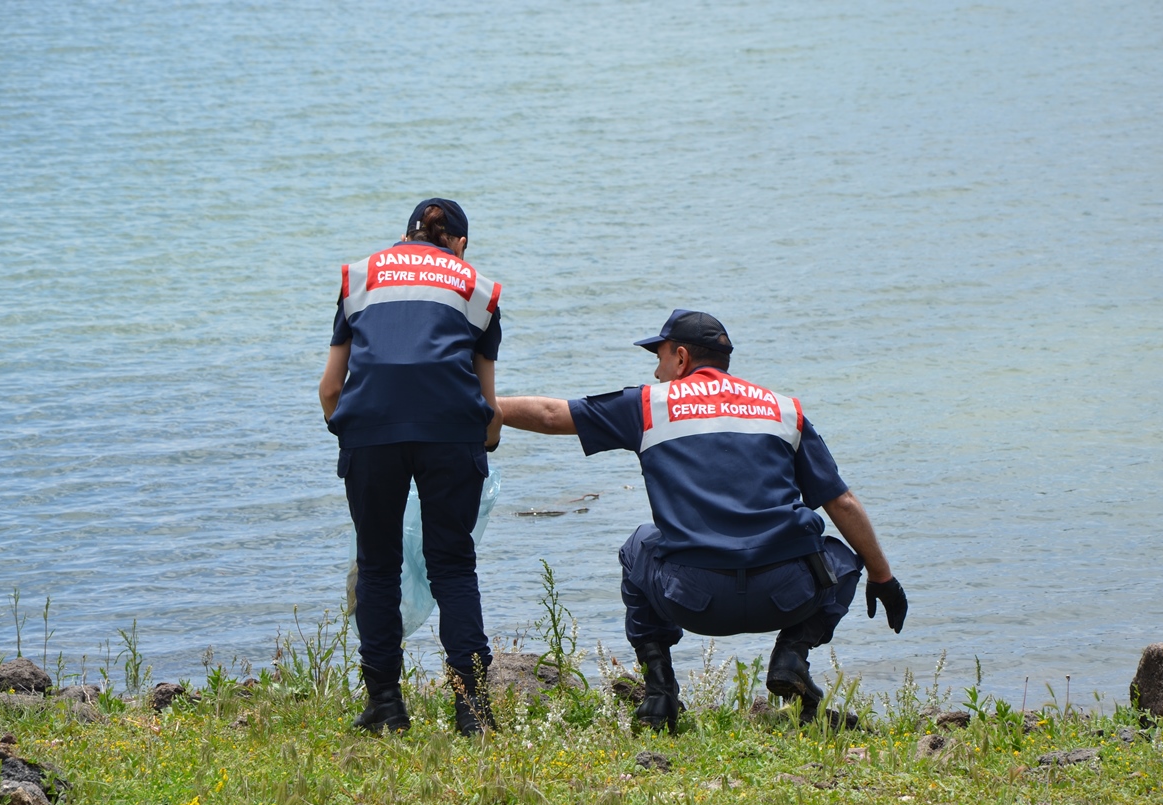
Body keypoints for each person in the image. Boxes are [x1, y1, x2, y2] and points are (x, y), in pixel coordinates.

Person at [499, 309, 907, 732]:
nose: (657, 373)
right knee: (840, 553)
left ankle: (660, 694)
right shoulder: (784, 411)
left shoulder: (647, 406)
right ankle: (792, 656)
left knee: (639, 544)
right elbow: (841, 503)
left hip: (694, 600)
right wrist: (884, 578)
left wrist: (482, 404)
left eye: (657, 358)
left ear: (680, 357)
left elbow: (549, 414)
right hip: (785, 596)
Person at [319, 198, 503, 736]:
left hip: (370, 433)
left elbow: (331, 388)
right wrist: (482, 446)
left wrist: (351, 433)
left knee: (377, 567)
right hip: (451, 434)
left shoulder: (359, 277)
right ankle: (472, 712)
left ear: (405, 235)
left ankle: (385, 706)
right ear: (459, 244)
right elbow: (488, 408)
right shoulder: (478, 287)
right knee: (452, 565)